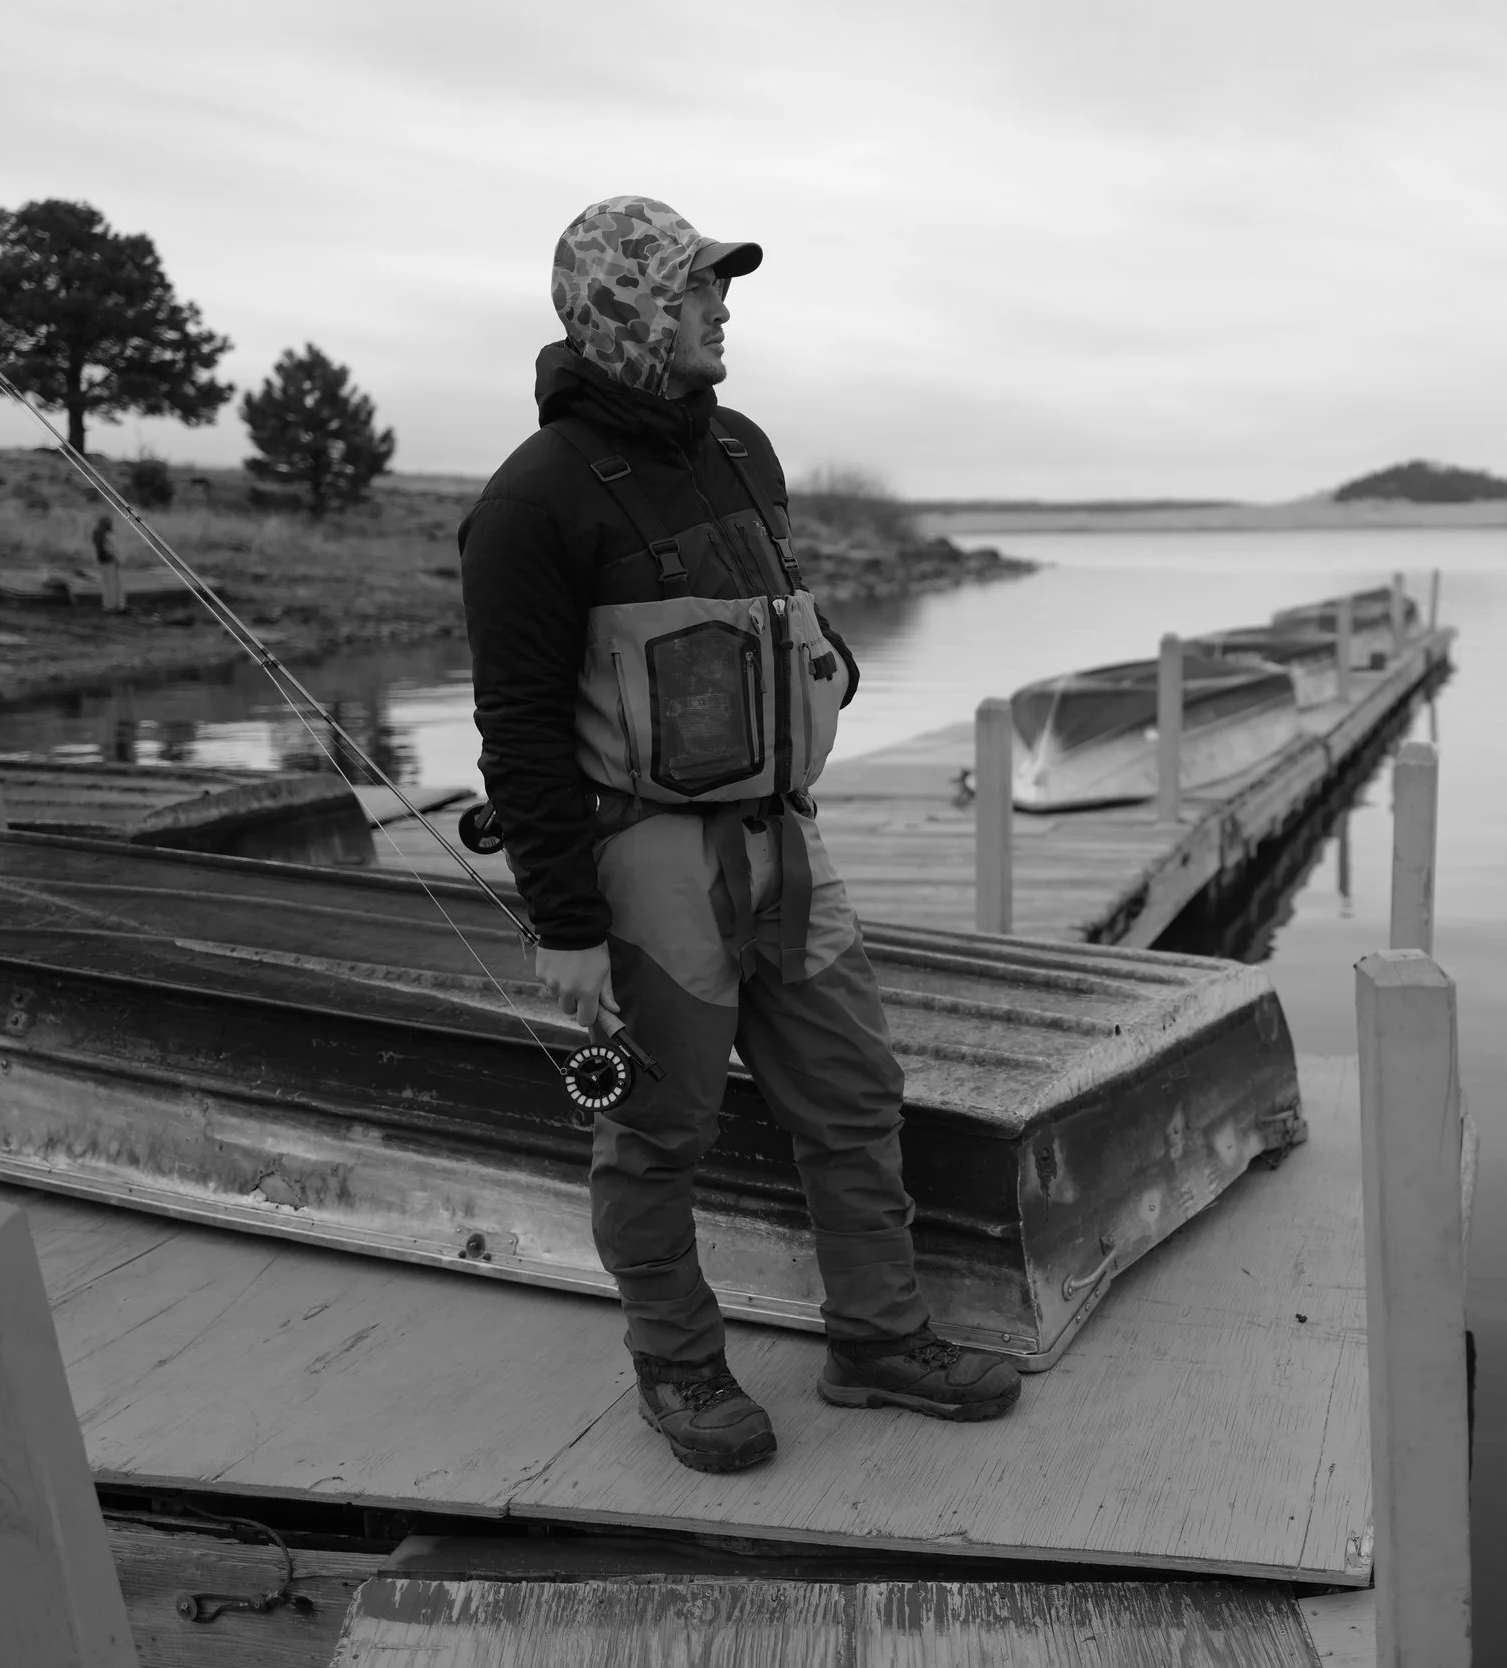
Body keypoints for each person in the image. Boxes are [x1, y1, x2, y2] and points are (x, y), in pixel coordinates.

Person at [456, 197, 1020, 1475]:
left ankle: (878, 1341)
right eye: (695, 289)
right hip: (646, 862)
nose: (722, 308)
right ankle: (679, 1366)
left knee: (855, 1095)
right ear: (625, 311)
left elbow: (778, 607)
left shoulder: (743, 447)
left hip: (787, 843)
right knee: (658, 1133)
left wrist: (824, 666)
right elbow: (519, 734)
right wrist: (565, 926)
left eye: (718, 287)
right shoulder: (532, 501)